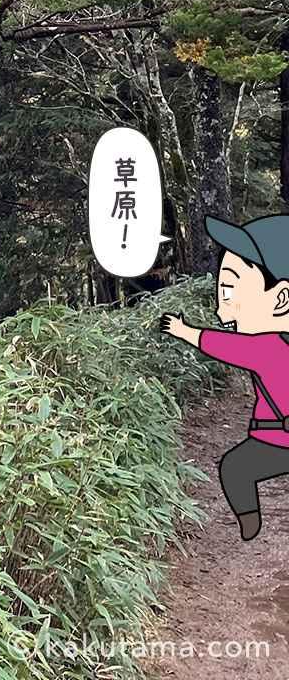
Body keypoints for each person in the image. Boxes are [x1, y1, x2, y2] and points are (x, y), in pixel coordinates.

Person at [162, 214, 289, 541]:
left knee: (234, 469)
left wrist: (184, 331)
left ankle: (250, 524)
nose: (222, 310)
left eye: (230, 291)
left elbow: (224, 345)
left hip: (277, 440)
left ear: (280, 299)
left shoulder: (267, 347)